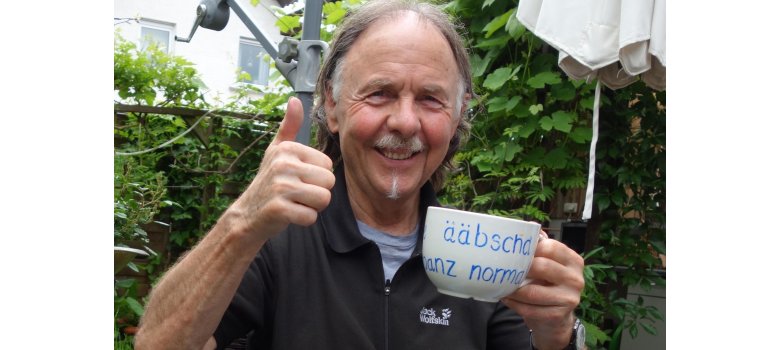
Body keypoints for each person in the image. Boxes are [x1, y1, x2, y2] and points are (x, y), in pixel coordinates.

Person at [135, 1, 585, 349]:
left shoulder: (485, 257)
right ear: (331, 107)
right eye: (379, 93)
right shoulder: (275, 242)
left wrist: (556, 335)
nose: (406, 122)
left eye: (431, 99)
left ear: (457, 117)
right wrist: (239, 226)